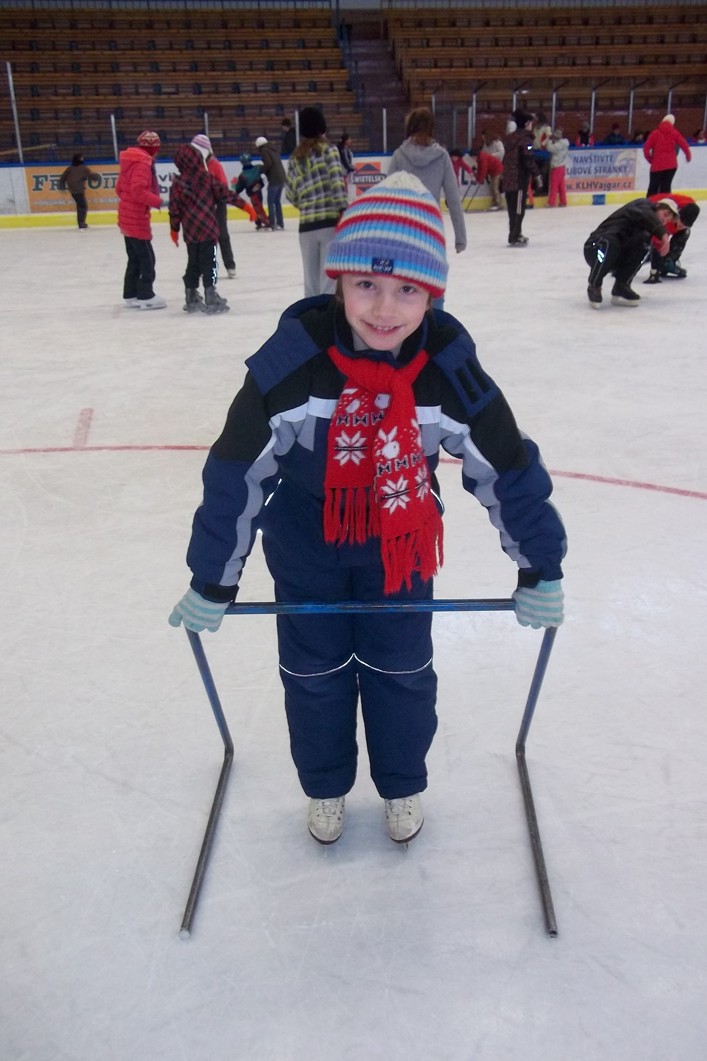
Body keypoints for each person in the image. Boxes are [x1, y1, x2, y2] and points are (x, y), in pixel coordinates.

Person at [168, 171, 567, 847]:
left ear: (432, 294)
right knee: (312, 674)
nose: (384, 309)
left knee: (400, 669)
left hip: (399, 546)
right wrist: (212, 577)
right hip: (306, 542)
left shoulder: (447, 370)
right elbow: (236, 471)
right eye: (366, 284)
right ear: (339, 282)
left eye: (407, 289)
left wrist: (540, 565)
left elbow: (505, 465)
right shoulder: (293, 364)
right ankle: (325, 785)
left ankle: (402, 781)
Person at [169, 142, 256, 314]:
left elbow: (174, 209)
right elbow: (226, 194)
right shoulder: (206, 178)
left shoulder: (177, 184)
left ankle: (191, 295)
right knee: (210, 263)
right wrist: (246, 207)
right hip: (208, 230)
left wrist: (174, 229)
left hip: (191, 233)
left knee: (193, 263)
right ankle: (210, 295)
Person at [387, 107, 467, 282]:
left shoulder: (399, 155)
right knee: (432, 280)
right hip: (431, 226)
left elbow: (385, 197)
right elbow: (454, 199)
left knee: (405, 283)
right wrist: (460, 238)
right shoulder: (442, 156)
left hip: (404, 228)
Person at [285, 106, 348, 297]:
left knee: (311, 284)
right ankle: (327, 315)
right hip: (329, 224)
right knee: (328, 281)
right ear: (322, 128)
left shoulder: (295, 159)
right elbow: (337, 183)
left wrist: (307, 205)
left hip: (306, 227)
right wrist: (343, 210)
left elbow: (291, 194)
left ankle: (311, 315)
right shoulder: (329, 151)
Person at [583, 197, 676, 308]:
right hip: (595, 246)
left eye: (667, 221)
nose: (664, 221)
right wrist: (663, 234)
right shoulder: (642, 204)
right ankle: (594, 285)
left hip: (616, 255)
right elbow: (643, 213)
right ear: (657, 206)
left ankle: (621, 285)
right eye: (665, 215)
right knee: (609, 242)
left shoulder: (647, 228)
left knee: (644, 243)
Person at [116, 129, 166, 310]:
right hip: (136, 217)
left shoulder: (130, 161)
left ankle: (131, 294)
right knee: (147, 259)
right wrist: (158, 201)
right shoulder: (142, 163)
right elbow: (138, 191)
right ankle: (145, 295)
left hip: (126, 215)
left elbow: (119, 188)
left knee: (135, 258)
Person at [191, 134, 237, 278]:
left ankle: (230, 265)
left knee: (222, 235)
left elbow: (223, 185)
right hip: (202, 206)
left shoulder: (215, 164)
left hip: (217, 205)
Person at [502, 110, 541, 246]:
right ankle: (515, 235)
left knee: (512, 210)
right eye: (531, 123)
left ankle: (514, 233)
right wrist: (537, 174)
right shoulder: (525, 140)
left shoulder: (509, 139)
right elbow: (528, 159)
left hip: (508, 179)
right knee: (519, 210)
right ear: (526, 124)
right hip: (519, 180)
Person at [644, 192, 700, 283]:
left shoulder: (690, 206)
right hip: (647, 212)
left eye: (686, 224)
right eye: (681, 221)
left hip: (666, 207)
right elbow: (656, 242)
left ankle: (669, 260)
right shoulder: (666, 219)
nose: (682, 225)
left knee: (684, 232)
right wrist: (654, 272)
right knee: (654, 242)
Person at [643, 114, 692, 196]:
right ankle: (665, 202)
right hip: (671, 165)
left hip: (657, 165)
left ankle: (650, 202)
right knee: (666, 187)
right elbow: (684, 145)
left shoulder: (655, 133)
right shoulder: (675, 133)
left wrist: (650, 160)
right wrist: (688, 156)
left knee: (653, 187)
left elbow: (646, 149)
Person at [255, 135, 287, 230]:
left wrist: (261, 170)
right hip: (281, 178)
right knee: (277, 201)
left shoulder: (265, 150)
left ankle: (272, 223)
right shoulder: (273, 150)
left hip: (274, 179)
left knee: (270, 201)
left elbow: (268, 163)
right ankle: (280, 223)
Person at [58, 152, 97, 230]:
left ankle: (81, 223)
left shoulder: (70, 168)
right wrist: (96, 177)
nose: (83, 159)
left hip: (73, 190)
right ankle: (81, 223)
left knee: (80, 205)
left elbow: (63, 178)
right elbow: (93, 177)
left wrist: (62, 186)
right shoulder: (84, 168)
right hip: (78, 190)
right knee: (82, 206)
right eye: (82, 158)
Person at [232, 154, 271, 230]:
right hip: (259, 191)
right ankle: (259, 221)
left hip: (252, 194)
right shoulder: (257, 168)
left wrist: (235, 190)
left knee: (258, 208)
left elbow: (239, 188)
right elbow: (266, 169)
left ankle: (266, 222)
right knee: (259, 206)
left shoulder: (242, 175)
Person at [546, 128, 570, 208]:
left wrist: (549, 140)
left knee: (554, 185)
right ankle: (563, 201)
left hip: (556, 167)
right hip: (562, 167)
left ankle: (551, 202)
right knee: (561, 186)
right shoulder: (565, 143)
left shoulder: (557, 146)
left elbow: (549, 148)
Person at [337, 133, 356, 198]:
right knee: (343, 187)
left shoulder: (346, 149)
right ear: (346, 141)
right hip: (342, 172)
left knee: (344, 186)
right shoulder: (343, 150)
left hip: (344, 172)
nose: (351, 140)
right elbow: (345, 161)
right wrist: (352, 168)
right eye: (349, 139)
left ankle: (345, 198)